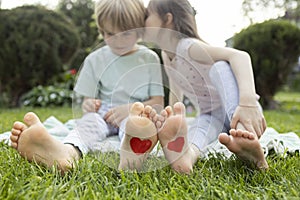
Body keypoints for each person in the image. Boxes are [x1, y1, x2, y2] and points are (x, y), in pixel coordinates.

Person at [10, 0, 164, 173]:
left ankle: (131, 154)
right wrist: (89, 104)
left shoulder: (150, 59)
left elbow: (158, 101)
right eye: (109, 34)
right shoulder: (95, 59)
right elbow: (86, 100)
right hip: (103, 113)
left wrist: (129, 109)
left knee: (136, 125)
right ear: (101, 30)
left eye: (125, 34)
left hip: (135, 111)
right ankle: (66, 152)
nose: (117, 41)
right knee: (88, 124)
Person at [138, 0, 269, 174]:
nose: (142, 20)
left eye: (147, 15)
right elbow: (175, 95)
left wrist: (247, 104)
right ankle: (187, 156)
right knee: (198, 130)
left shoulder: (189, 47)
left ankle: (245, 135)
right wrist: (171, 119)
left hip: (240, 109)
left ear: (167, 19)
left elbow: (240, 56)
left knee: (219, 67)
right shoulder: (167, 55)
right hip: (211, 115)